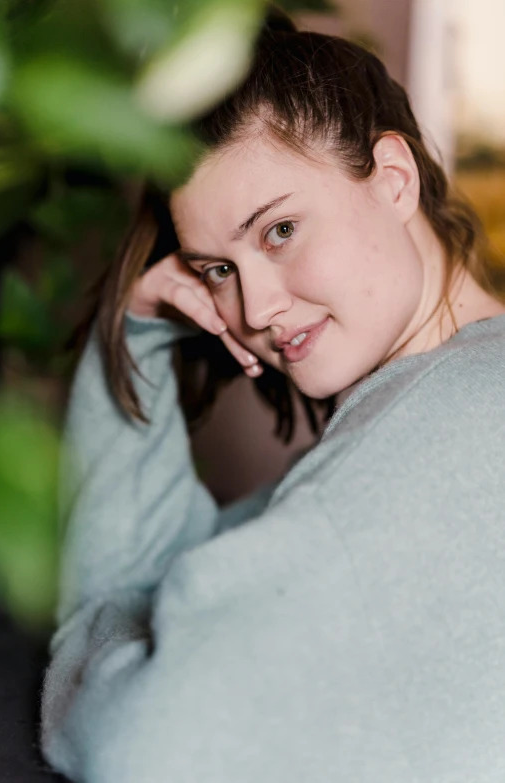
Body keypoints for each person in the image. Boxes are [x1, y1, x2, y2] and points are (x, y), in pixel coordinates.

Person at [41, 11, 505, 783]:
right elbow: (146, 568)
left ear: (393, 180)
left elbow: (147, 742)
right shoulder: (436, 410)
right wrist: (146, 328)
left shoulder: (462, 423)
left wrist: (101, 632)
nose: (252, 309)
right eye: (216, 269)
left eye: (280, 229)